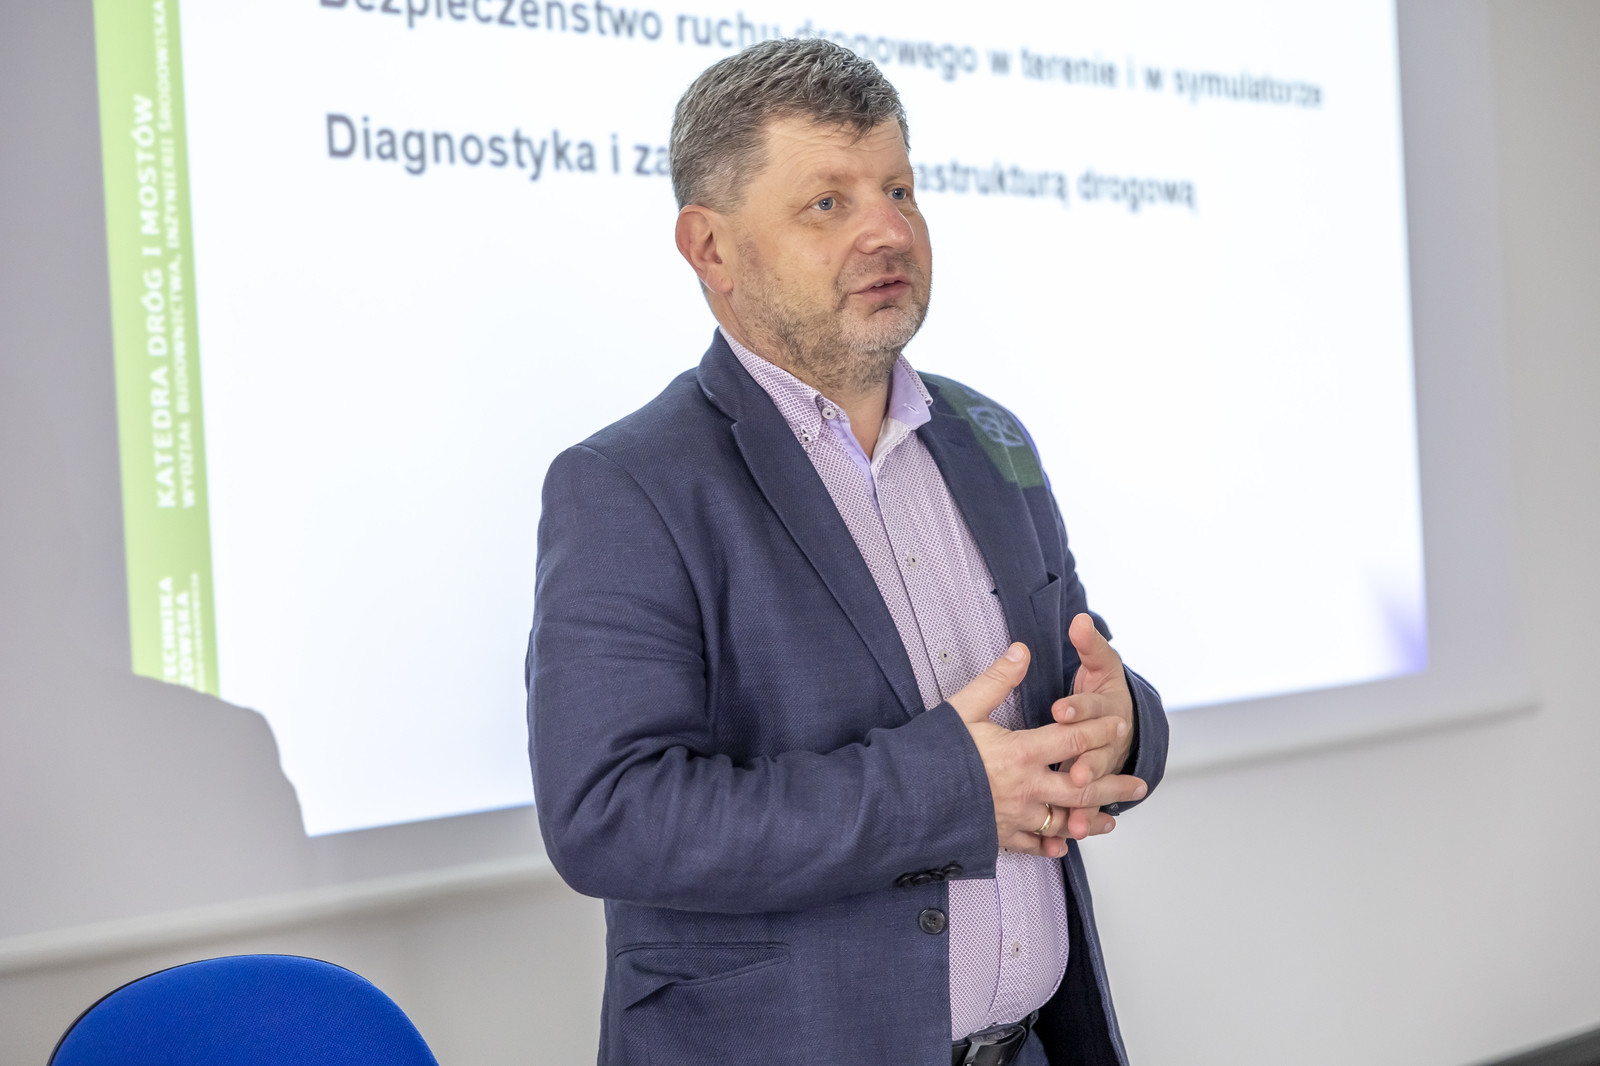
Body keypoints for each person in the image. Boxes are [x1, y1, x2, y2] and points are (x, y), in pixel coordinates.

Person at [527, 37, 1169, 1066]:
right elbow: (613, 817)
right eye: (827, 202)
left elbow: (1071, 681)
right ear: (711, 248)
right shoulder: (629, 485)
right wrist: (948, 789)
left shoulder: (988, 437)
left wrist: (1121, 722)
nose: (888, 231)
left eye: (899, 191)